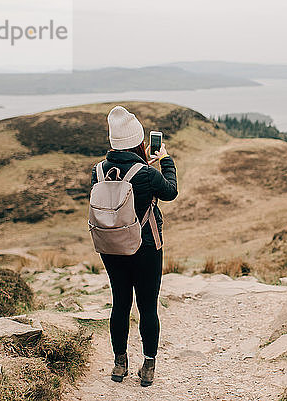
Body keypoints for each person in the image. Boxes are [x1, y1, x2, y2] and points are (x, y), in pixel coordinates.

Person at [90, 106, 178, 387]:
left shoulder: (99, 170)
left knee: (120, 303)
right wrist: (164, 160)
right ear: (138, 141)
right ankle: (148, 366)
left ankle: (119, 363)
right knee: (147, 307)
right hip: (146, 246)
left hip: (111, 247)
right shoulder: (146, 173)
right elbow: (170, 191)